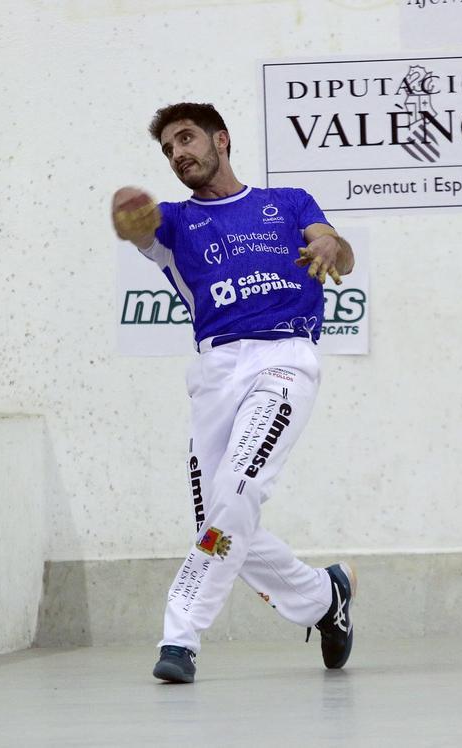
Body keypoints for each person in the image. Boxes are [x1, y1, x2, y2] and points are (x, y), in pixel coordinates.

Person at [111, 102, 357, 684]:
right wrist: (129, 212)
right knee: (220, 516)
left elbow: (334, 246)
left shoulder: (289, 202)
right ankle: (324, 597)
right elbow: (142, 228)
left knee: (236, 489)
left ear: (221, 139)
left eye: (188, 139)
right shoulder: (174, 221)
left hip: (283, 358)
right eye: (169, 149)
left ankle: (180, 636)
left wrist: (329, 245)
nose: (179, 154)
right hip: (216, 369)